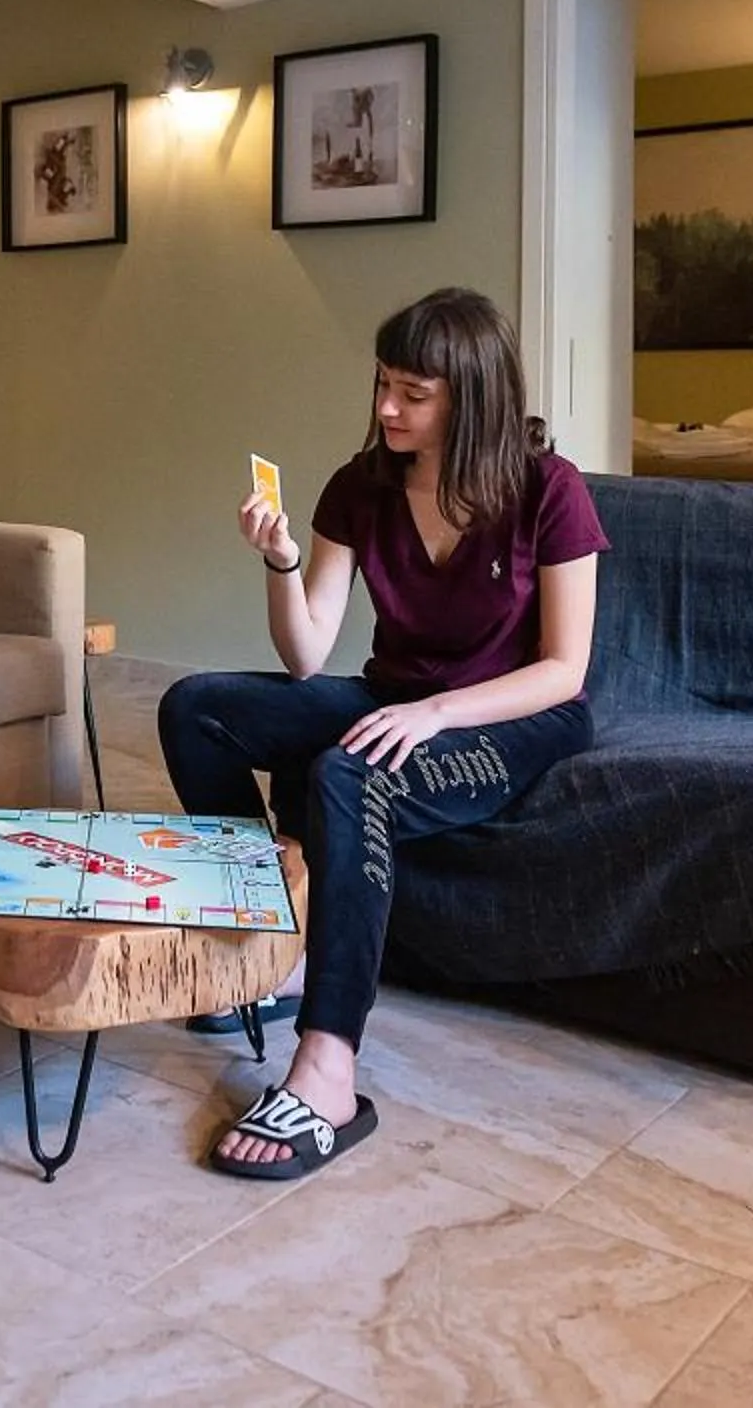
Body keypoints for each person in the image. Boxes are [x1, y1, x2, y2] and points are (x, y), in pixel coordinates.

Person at [157, 287, 606, 1179]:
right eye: (383, 384)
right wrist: (282, 562)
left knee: (346, 773)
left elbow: (565, 669)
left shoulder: (549, 491)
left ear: (470, 396)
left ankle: (327, 1071)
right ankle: (272, 941)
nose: (387, 408)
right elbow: (305, 652)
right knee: (193, 706)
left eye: (414, 392)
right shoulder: (361, 485)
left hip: (513, 717)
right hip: (390, 695)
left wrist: (436, 712)